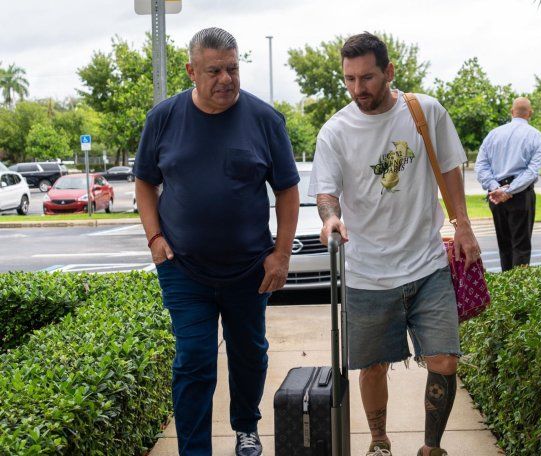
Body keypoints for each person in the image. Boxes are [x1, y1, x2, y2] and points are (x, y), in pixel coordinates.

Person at [308, 32, 481, 456]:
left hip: (426, 264)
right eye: (348, 79)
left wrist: (462, 224)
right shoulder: (335, 130)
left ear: (389, 71)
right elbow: (326, 191)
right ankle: (380, 441)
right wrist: (330, 218)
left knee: (444, 360)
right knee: (372, 367)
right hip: (367, 272)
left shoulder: (424, 110)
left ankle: (430, 447)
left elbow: (452, 168)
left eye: (366, 77)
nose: (357, 89)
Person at [134, 27, 300, 456]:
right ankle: (195, 450)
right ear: (191, 71)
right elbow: (145, 182)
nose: (226, 78)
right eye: (214, 70)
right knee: (194, 359)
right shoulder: (164, 118)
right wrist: (154, 237)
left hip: (249, 268)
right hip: (184, 269)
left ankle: (246, 427)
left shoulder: (265, 119)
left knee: (250, 353)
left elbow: (287, 189)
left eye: (232, 68)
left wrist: (280, 255)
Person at [475, 97, 541, 272]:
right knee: (521, 246)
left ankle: (507, 288)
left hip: (496, 195)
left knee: (504, 245)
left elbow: (481, 166)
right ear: (530, 113)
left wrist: (495, 188)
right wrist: (509, 190)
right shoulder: (536, 136)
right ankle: (518, 291)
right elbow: (532, 172)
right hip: (521, 195)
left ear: (511, 111)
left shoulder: (493, 134)